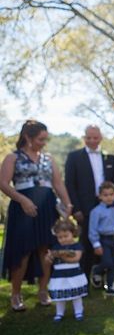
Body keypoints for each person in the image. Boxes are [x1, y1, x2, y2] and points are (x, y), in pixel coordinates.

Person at [0, 120, 73, 311]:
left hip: (47, 207)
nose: (44, 143)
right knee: (22, 251)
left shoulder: (48, 159)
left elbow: (58, 184)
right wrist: (22, 200)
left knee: (46, 250)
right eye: (41, 139)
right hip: (23, 209)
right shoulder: (12, 158)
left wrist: (68, 203)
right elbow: (3, 183)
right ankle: (16, 295)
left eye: (45, 139)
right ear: (27, 137)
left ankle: (43, 291)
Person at [65, 124, 114, 281]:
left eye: (95, 137)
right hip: (85, 208)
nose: (92, 140)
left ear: (100, 138)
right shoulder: (74, 157)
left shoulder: (109, 158)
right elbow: (70, 184)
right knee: (88, 243)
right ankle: (84, 278)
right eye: (88, 137)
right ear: (84, 138)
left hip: (107, 206)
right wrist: (76, 209)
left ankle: (100, 276)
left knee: (107, 243)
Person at [88, 181, 114, 297]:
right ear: (100, 196)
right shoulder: (96, 211)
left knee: (113, 264)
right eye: (105, 195)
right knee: (107, 262)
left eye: (111, 194)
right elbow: (92, 229)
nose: (109, 197)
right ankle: (97, 271)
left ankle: (110, 287)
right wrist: (96, 244)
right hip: (103, 240)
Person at [46, 219, 87, 322]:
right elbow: (49, 260)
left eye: (66, 236)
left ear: (72, 233)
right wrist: (49, 258)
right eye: (60, 237)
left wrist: (61, 256)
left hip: (74, 274)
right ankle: (59, 313)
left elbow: (76, 259)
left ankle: (78, 311)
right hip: (59, 275)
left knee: (76, 295)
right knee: (60, 294)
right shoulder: (56, 247)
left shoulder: (77, 246)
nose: (63, 239)